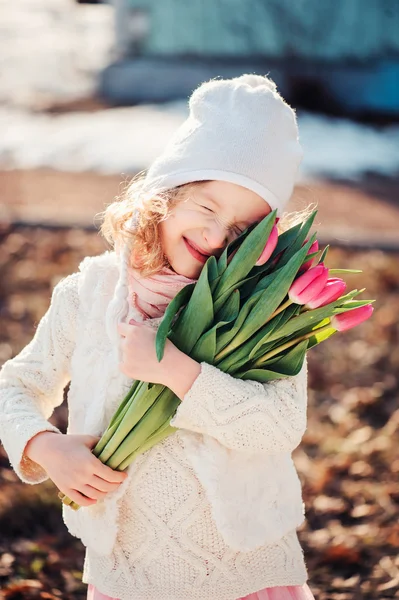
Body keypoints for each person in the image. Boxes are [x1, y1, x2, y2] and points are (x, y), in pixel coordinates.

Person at [0, 75, 316, 600]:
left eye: (242, 231)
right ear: (164, 196)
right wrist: (46, 447)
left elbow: (280, 426)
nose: (216, 239)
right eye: (206, 208)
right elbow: (17, 383)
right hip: (128, 572)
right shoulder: (91, 294)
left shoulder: (268, 316)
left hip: (244, 573)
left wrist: (177, 371)